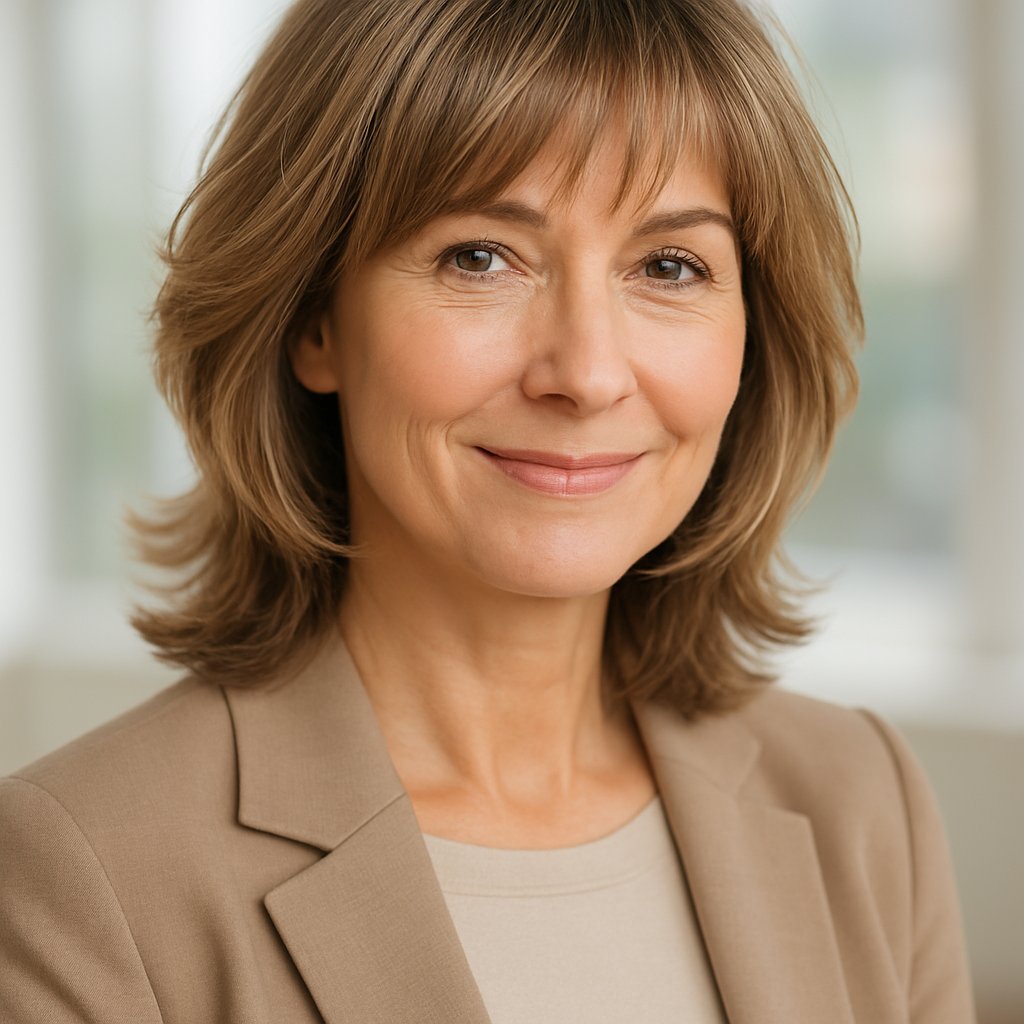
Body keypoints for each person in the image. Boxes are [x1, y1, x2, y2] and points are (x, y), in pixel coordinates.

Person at [0, 0, 975, 1021]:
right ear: (313, 318)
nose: (587, 372)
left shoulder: (863, 804)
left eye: (668, 266)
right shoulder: (83, 875)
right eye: (480, 256)